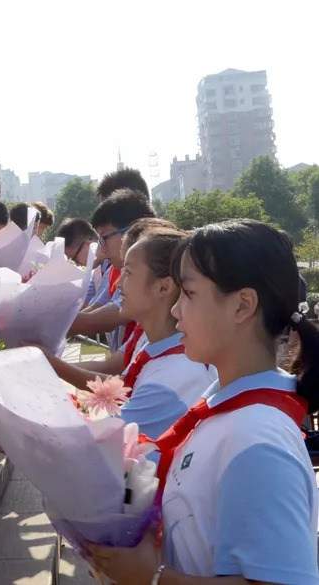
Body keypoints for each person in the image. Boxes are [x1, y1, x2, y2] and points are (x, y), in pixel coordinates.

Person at [87, 220, 319, 584]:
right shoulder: (223, 409)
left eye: (189, 294)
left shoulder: (258, 441)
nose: (176, 310)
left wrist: (152, 578)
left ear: (242, 305)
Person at [49, 220, 216, 442]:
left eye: (128, 273)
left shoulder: (173, 376)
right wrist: (51, 365)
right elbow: (123, 386)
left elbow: (103, 445)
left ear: (164, 287)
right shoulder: (157, 342)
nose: (119, 286)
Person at [67, 190, 155, 346]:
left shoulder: (153, 274)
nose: (102, 248)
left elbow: (97, 321)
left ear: (131, 231)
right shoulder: (113, 271)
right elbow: (94, 308)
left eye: (104, 238)